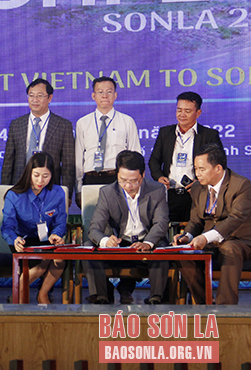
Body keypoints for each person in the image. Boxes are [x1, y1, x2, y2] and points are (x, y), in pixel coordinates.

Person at [83, 150, 169, 305]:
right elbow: (94, 228)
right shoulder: (107, 192)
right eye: (123, 180)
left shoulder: (157, 190)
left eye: (134, 181)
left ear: (143, 175)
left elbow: (161, 223)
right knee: (88, 247)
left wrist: (147, 243)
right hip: (120, 243)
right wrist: (105, 241)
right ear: (117, 175)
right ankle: (101, 295)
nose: (128, 186)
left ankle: (156, 297)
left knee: (161, 247)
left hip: (145, 242)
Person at [174, 143, 251, 305]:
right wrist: (187, 236)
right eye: (196, 169)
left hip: (239, 240)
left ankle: (225, 308)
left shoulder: (242, 185)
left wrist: (205, 237)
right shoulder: (197, 187)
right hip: (210, 242)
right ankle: (205, 303)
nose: (197, 174)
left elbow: (236, 218)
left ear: (218, 168)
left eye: (202, 169)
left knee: (229, 249)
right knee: (182, 253)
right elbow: (196, 220)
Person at [1, 152, 67, 304]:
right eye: (36, 175)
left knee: (60, 259)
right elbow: (7, 226)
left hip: (46, 239)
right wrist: (14, 239)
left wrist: (56, 234)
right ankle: (19, 294)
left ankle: (42, 294)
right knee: (42, 260)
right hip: (23, 241)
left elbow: (60, 222)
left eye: (46, 176)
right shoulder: (14, 195)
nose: (40, 181)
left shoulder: (57, 192)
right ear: (29, 173)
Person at [149, 91, 222, 222]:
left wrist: (200, 183)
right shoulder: (165, 133)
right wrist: (159, 177)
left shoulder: (209, 135)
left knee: (195, 228)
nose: (182, 114)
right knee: (169, 230)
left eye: (187, 111)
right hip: (170, 194)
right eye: (179, 110)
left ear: (198, 113)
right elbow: (154, 160)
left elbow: (218, 165)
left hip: (197, 193)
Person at [1, 78, 75, 201]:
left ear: (49, 98)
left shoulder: (63, 125)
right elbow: (8, 161)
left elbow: (68, 164)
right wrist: (5, 189)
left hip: (50, 188)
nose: (35, 100)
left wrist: (67, 194)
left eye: (40, 96)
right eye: (31, 95)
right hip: (20, 187)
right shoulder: (17, 124)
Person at [75, 76, 140, 207]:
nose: (105, 95)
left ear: (115, 95)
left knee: (118, 218)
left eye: (109, 92)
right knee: (92, 218)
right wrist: (78, 188)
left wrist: (133, 186)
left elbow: (136, 155)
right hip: (91, 178)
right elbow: (78, 158)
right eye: (100, 92)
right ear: (93, 96)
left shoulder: (127, 121)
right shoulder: (83, 122)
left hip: (117, 179)